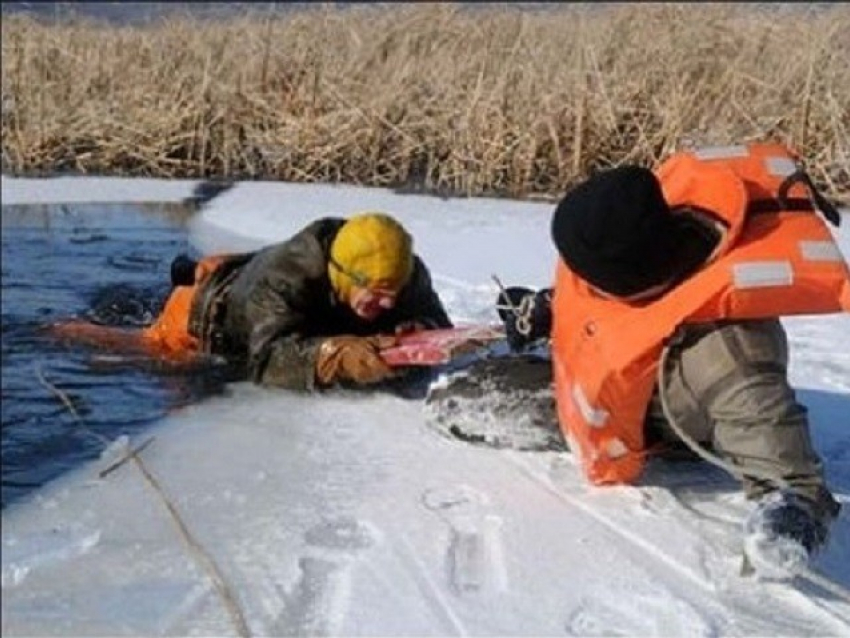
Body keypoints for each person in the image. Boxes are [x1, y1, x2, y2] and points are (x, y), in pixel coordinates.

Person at [497, 142, 849, 579]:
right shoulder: (647, 243)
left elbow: (786, 471)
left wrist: (787, 525)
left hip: (654, 426)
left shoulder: (729, 352)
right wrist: (544, 309)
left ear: (623, 278)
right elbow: (607, 316)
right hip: (602, 381)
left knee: (465, 403)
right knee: (479, 383)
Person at [51, 212, 453, 391]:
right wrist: (339, 356)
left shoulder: (402, 269)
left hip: (243, 277)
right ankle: (62, 331)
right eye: (376, 296)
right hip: (200, 312)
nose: (387, 304)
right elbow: (268, 361)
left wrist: (417, 329)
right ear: (343, 273)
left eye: (394, 294)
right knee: (145, 349)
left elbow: (434, 318)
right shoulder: (285, 281)